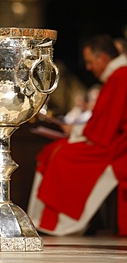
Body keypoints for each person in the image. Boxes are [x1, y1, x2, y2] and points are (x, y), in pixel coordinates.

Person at [28, 34, 127, 236]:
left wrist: (75, 131)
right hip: (115, 140)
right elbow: (105, 122)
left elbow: (105, 129)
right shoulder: (117, 75)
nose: (89, 68)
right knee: (52, 152)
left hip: (120, 148)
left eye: (91, 62)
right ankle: (41, 219)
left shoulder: (120, 76)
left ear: (103, 59)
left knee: (61, 155)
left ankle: (57, 222)